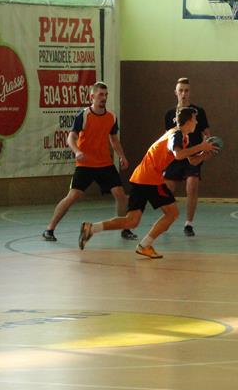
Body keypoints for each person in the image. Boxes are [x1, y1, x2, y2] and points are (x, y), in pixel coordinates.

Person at [78, 107, 214, 259]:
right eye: (195, 119)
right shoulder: (175, 134)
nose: (197, 122)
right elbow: (178, 154)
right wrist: (201, 146)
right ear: (188, 121)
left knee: (131, 221)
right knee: (172, 213)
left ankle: (91, 228)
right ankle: (145, 245)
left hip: (141, 176)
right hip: (150, 178)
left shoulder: (183, 137)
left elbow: (191, 161)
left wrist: (203, 154)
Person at [43, 82, 138, 242]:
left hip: (105, 164)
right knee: (73, 196)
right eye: (100, 95)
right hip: (85, 164)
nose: (104, 98)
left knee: (121, 195)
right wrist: (77, 151)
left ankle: (125, 228)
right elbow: (71, 138)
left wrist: (122, 156)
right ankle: (49, 229)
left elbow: (114, 140)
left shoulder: (111, 117)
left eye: (106, 95)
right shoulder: (84, 115)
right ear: (92, 96)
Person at [163, 77, 213, 237]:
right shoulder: (169, 114)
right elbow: (167, 138)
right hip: (175, 156)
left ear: (190, 92)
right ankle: (167, 220)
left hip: (193, 153)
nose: (183, 94)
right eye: (181, 91)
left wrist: (208, 147)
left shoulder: (198, 112)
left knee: (192, 185)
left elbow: (207, 133)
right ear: (176, 92)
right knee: (167, 189)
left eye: (186, 91)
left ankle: (188, 224)